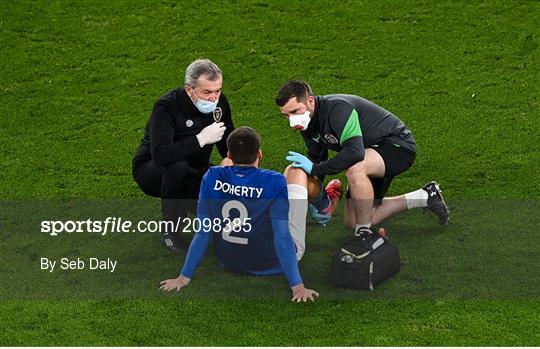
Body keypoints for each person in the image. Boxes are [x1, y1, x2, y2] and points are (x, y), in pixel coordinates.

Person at [159, 127, 319, 302]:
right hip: (272, 264)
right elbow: (281, 236)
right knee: (294, 171)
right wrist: (297, 286)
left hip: (229, 261)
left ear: (229, 153)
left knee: (226, 170)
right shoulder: (274, 180)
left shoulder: (212, 176)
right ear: (259, 154)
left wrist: (183, 277)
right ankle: (323, 203)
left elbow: (203, 232)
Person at [275, 80, 449, 237]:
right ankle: (425, 196)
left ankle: (363, 235)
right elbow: (316, 159)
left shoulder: (337, 109)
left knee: (355, 169)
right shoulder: (306, 124)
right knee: (354, 221)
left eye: (294, 111)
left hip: (397, 146)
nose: (291, 120)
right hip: (371, 152)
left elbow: (354, 153)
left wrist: (315, 169)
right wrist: (316, 198)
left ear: (310, 101)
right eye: (286, 116)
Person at [132, 59, 234, 253]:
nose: (214, 98)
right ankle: (170, 231)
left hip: (195, 168)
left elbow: (227, 141)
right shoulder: (166, 107)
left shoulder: (220, 104)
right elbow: (161, 155)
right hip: (153, 171)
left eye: (217, 90)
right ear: (189, 89)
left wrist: (230, 159)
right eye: (207, 92)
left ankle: (192, 207)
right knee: (176, 166)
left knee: (221, 222)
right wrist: (200, 140)